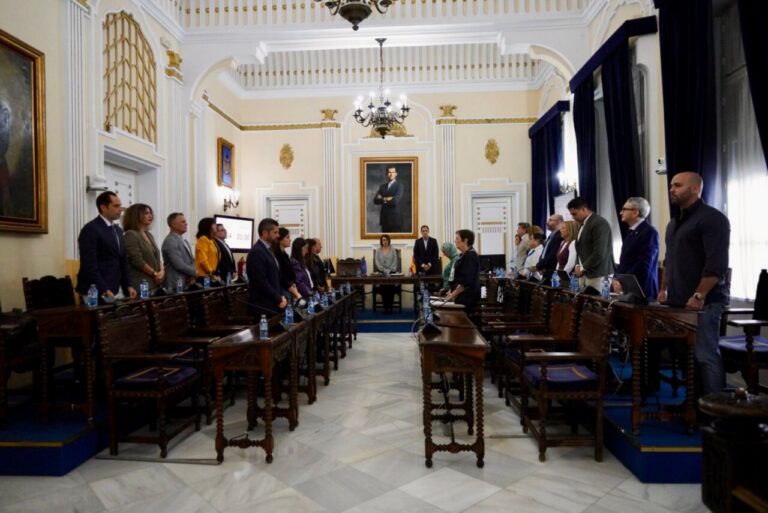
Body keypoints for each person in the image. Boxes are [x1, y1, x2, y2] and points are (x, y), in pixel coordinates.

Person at [658, 172, 730, 396]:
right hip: (678, 300)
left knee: (705, 355)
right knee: (685, 356)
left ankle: (716, 409)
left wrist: (699, 295)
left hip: (704, 302)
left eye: (678, 185)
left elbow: (716, 264)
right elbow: (669, 260)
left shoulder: (712, 218)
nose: (672, 189)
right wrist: (663, 289)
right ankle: (694, 405)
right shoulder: (674, 223)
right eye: (671, 185)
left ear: (695, 189)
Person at [76, 191, 136, 301]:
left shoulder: (118, 230)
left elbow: (122, 260)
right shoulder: (91, 229)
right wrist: (104, 289)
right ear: (103, 207)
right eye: (116, 206)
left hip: (116, 288)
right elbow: (89, 264)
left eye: (120, 206)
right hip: (95, 290)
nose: (120, 209)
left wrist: (128, 285)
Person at [613, 197, 659, 299]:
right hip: (628, 287)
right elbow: (624, 260)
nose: (621, 212)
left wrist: (623, 281)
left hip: (642, 288)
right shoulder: (631, 232)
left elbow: (644, 263)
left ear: (635, 213)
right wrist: (616, 278)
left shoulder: (649, 232)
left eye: (624, 209)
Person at [568, 197, 614, 290]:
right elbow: (579, 250)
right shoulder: (582, 224)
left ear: (584, 209)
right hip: (585, 273)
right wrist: (577, 265)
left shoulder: (599, 223)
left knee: (596, 299)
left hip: (599, 273)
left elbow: (599, 252)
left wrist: (583, 268)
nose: (573, 217)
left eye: (574, 214)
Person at [246, 218, 288, 318]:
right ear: (265, 233)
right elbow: (261, 282)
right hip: (263, 307)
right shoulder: (257, 251)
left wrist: (282, 296)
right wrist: (278, 298)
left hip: (274, 304)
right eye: (275, 232)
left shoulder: (269, 250)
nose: (278, 235)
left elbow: (276, 278)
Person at [123, 203, 164, 294]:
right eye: (146, 213)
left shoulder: (149, 235)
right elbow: (137, 260)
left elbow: (157, 256)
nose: (150, 216)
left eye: (150, 213)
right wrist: (154, 274)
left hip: (156, 283)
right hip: (141, 283)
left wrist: (162, 271)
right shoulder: (130, 234)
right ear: (136, 215)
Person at [445, 229, 481, 311]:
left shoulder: (471, 256)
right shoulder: (463, 255)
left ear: (465, 240)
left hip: (468, 298)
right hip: (461, 295)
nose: (455, 241)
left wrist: (453, 294)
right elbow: (459, 279)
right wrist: (452, 292)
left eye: (457, 238)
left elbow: (466, 282)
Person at [162, 212, 197, 290]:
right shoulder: (170, 241)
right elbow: (179, 265)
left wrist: (192, 276)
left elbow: (192, 261)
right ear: (173, 224)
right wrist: (195, 272)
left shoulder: (185, 241)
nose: (186, 224)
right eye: (183, 222)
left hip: (188, 283)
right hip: (175, 284)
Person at [273, 227, 302, 302]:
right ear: (280, 239)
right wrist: (292, 289)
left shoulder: (285, 255)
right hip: (283, 289)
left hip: (290, 288)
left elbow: (290, 273)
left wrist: (293, 285)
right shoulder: (277, 255)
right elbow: (282, 276)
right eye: (287, 237)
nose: (290, 240)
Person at [372, 165, 403, 232]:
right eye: (389, 172)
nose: (391, 174)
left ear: (396, 174)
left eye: (393, 172)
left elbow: (395, 201)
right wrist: (386, 198)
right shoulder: (382, 187)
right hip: (384, 220)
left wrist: (382, 198)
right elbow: (375, 200)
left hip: (395, 221)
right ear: (386, 174)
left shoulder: (399, 186)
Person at [535, 214, 564, 284]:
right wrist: (541, 266)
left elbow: (552, 254)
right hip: (546, 270)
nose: (547, 222)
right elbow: (544, 253)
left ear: (558, 222)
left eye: (550, 220)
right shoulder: (551, 235)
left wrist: (539, 266)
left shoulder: (559, 236)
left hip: (552, 272)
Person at [374, 234, 399, 313]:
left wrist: (389, 270)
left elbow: (395, 261)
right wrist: (383, 269)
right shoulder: (378, 250)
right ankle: (385, 307)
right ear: (381, 241)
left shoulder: (393, 250)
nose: (385, 241)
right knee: (383, 289)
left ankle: (390, 307)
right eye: (383, 240)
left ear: (389, 241)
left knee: (390, 289)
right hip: (381, 273)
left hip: (391, 272)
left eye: (386, 240)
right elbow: (377, 262)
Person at [195, 217, 220, 283]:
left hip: (211, 275)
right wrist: (211, 273)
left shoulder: (211, 240)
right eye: (214, 224)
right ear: (208, 226)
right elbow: (203, 260)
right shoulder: (203, 239)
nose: (216, 225)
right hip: (204, 276)